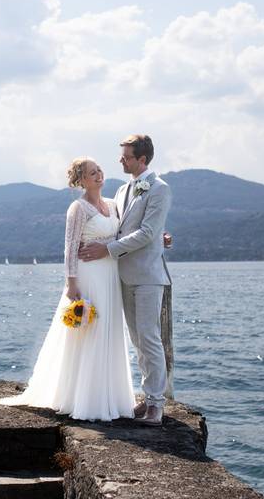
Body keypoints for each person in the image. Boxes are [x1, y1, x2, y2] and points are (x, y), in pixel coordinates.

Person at [0, 157, 135, 421]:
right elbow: (70, 248)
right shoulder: (78, 208)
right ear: (81, 180)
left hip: (109, 276)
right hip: (87, 276)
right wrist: (71, 283)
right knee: (88, 332)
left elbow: (120, 239)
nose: (98, 175)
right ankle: (82, 397)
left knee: (108, 331)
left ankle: (110, 394)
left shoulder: (114, 206)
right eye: (92, 173)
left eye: (99, 170)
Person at [78, 134, 172, 427]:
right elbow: (121, 228)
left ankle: (157, 405)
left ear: (142, 159)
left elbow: (146, 232)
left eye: (126, 156)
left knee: (149, 338)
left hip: (146, 275)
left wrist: (108, 249)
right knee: (137, 340)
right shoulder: (121, 192)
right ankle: (148, 396)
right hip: (121, 275)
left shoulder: (159, 189)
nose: (120, 160)